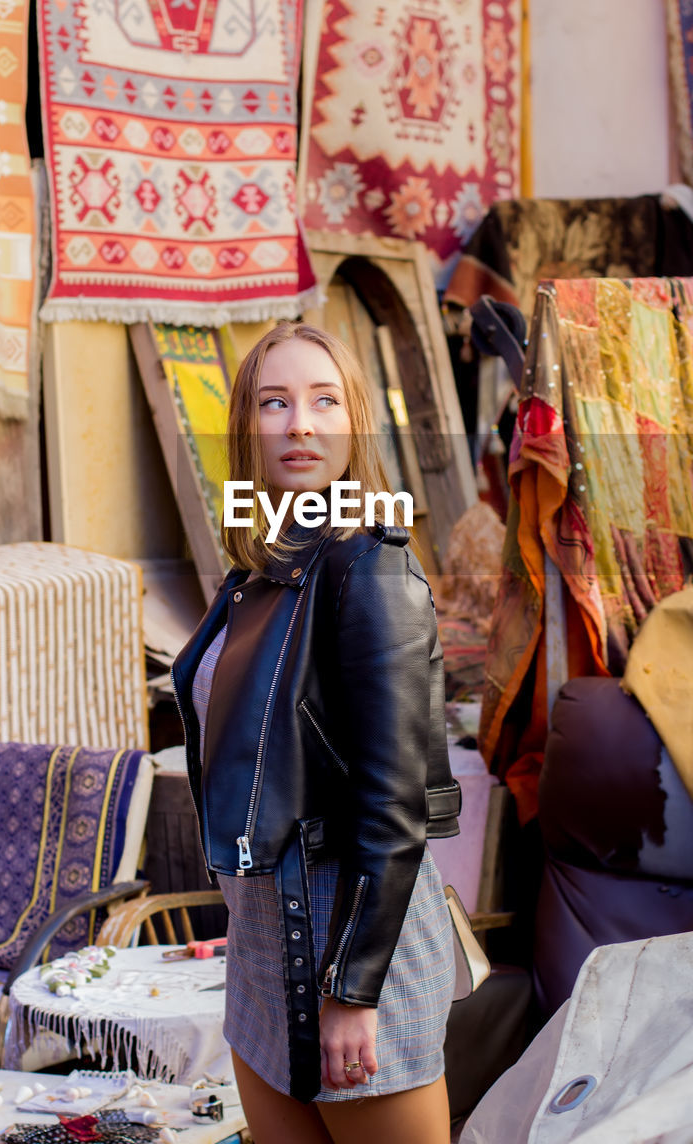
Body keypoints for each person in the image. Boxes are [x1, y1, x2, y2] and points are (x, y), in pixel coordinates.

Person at [171, 321, 461, 1144]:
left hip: (349, 936)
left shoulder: (370, 565)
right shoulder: (261, 574)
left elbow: (395, 802)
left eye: (323, 400)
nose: (300, 422)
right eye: (275, 402)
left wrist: (352, 990)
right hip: (264, 941)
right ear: (248, 429)